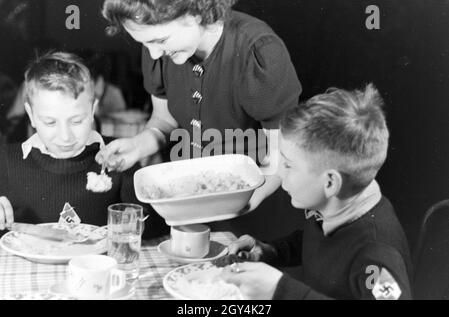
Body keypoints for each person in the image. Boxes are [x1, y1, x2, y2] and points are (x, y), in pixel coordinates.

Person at [96, 0, 302, 218]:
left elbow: (284, 152)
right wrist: (137, 146)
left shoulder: (258, 49)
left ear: (195, 14)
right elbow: (164, 121)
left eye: (160, 40)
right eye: (146, 44)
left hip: (260, 203)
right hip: (194, 197)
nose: (154, 54)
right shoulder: (159, 50)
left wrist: (244, 199)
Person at [221, 84, 413, 300]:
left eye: (288, 164)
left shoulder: (377, 256)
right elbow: (319, 245)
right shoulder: (336, 208)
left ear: (330, 183)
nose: (279, 172)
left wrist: (281, 290)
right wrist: (271, 252)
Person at [0, 52, 167, 239]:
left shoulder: (118, 158)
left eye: (77, 121)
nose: (65, 137)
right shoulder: (7, 160)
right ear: (31, 115)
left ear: (92, 109)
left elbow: (155, 230)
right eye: (50, 122)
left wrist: (145, 214)